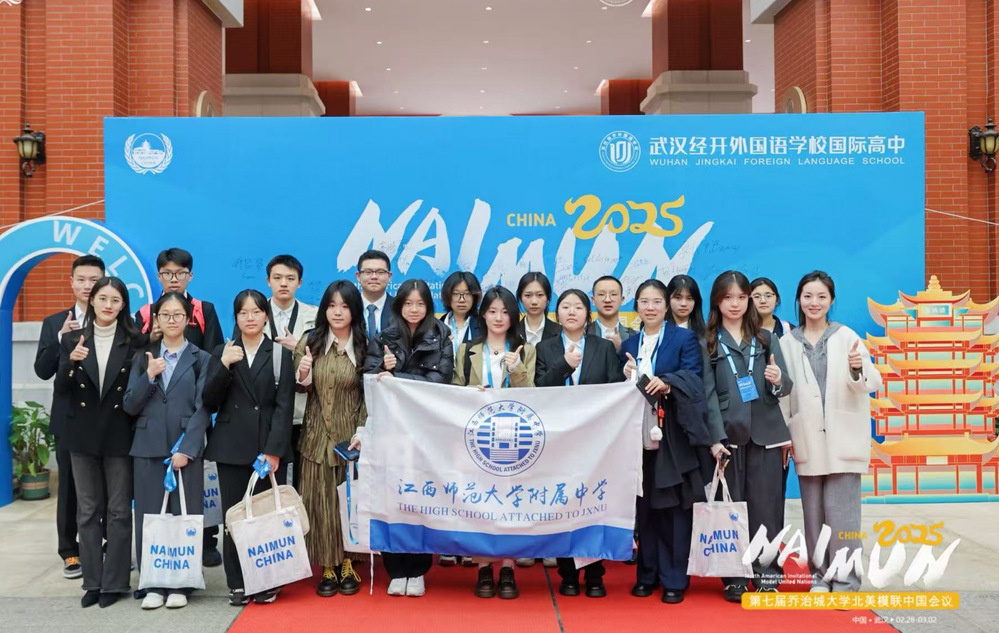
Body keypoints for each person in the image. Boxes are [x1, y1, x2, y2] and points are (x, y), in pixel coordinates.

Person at [779, 271, 882, 593]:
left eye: (821, 296)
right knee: (813, 514)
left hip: (843, 437)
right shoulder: (787, 343)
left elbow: (871, 382)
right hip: (806, 436)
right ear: (799, 300)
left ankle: (846, 580)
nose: (814, 302)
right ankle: (819, 576)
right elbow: (783, 395)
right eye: (808, 296)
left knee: (844, 516)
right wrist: (784, 435)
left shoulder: (847, 336)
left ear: (831, 300)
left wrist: (856, 368)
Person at [620, 279, 718, 605]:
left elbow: (693, 378)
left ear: (666, 307)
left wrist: (667, 382)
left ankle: (674, 578)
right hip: (637, 437)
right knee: (645, 508)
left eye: (657, 302)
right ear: (636, 306)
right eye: (644, 302)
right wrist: (626, 376)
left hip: (673, 434)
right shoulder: (629, 344)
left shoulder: (683, 338)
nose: (650, 307)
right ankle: (646, 575)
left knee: (675, 509)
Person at [704, 271, 793, 602]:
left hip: (767, 434)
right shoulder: (708, 342)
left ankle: (767, 572)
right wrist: (715, 439)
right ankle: (734, 576)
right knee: (731, 508)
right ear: (717, 301)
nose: (735, 304)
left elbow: (786, 386)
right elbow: (707, 396)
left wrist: (777, 379)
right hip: (728, 437)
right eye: (728, 297)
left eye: (742, 297)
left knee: (767, 507)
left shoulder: (766, 338)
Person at [203, 289, 295, 606]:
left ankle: (268, 580)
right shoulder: (224, 351)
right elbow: (209, 401)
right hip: (230, 447)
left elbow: (284, 407)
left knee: (267, 517)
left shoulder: (280, 354)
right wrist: (223, 366)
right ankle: (238, 582)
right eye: (243, 313)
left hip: (267, 448)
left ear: (266, 316)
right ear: (236, 317)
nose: (250, 318)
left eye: (256, 311)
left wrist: (274, 450)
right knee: (235, 518)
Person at [134, 247, 225, 568]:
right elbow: (136, 357)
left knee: (198, 486)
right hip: (154, 412)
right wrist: (150, 338)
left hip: (194, 406)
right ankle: (156, 564)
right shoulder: (147, 313)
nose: (174, 279)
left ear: (190, 276)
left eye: (180, 273)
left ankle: (204, 542)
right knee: (153, 497)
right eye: (167, 273)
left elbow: (214, 352)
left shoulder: (203, 309)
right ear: (159, 276)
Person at [124, 292, 214, 610]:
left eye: (178, 314)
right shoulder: (143, 357)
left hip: (185, 450)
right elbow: (130, 404)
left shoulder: (201, 359)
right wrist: (149, 377)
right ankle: (152, 582)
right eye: (165, 315)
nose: (172, 320)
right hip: (147, 447)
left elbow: (204, 408)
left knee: (185, 515)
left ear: (188, 319)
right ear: (157, 320)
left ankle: (182, 583)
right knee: (150, 517)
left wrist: (188, 449)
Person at [364, 279, 454, 597]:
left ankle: (417, 570)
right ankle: (395, 569)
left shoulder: (442, 336)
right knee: (391, 497)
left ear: (428, 306)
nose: (414, 309)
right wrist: (382, 366)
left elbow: (440, 381)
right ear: (399, 306)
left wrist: (396, 375)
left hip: (425, 432)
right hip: (390, 430)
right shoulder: (383, 337)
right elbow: (369, 378)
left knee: (420, 498)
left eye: (420, 303)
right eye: (408, 303)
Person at [55, 276, 140, 608]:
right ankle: (92, 581)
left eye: (115, 300)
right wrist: (71, 362)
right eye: (103, 298)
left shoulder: (135, 340)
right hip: (82, 434)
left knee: (118, 511)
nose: (108, 305)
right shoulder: (72, 339)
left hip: (119, 433)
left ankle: (115, 582)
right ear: (92, 300)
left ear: (123, 305)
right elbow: (61, 389)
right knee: (88, 510)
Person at [536, 289, 624, 598]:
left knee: (594, 504)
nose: (571, 312)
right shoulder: (545, 347)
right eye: (565, 306)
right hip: (559, 440)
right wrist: (564, 365)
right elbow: (538, 388)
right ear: (557, 313)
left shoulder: (603, 347)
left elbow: (615, 390)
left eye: (578, 307)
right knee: (564, 504)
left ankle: (596, 575)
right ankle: (568, 574)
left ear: (588, 314)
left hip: (596, 440)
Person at [453, 285, 535, 599]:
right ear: (483, 315)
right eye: (492, 311)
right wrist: (470, 394)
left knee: (511, 502)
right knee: (480, 502)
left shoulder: (526, 349)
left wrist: (517, 369)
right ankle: (484, 568)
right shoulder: (468, 350)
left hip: (515, 437)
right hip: (477, 437)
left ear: (513, 316)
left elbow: (534, 395)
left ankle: (508, 568)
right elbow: (454, 390)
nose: (498, 317)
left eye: (504, 312)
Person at [292, 281, 368, 598]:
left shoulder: (365, 346)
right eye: (332, 305)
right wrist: (304, 371)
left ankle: (348, 562)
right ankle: (327, 565)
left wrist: (362, 431)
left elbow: (368, 396)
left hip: (350, 442)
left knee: (348, 504)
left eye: (345, 306)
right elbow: (300, 387)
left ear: (354, 311)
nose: (338, 312)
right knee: (319, 503)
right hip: (315, 439)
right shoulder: (310, 341)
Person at [34, 254, 105, 580]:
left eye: (94, 280)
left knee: (107, 485)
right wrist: (60, 340)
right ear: (72, 282)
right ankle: (69, 550)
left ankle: (106, 545)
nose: (88, 286)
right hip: (69, 417)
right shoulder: (54, 322)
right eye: (82, 279)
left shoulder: (113, 316)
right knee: (70, 487)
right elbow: (42, 370)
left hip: (104, 417)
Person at [438, 271, 484, 568]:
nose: (462, 299)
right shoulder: (436, 325)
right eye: (456, 294)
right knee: (446, 475)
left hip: (476, 410)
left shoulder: (483, 324)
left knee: (473, 478)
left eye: (467, 294)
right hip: (442, 410)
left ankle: (470, 542)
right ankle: (447, 542)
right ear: (447, 296)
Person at [262, 255, 318, 490]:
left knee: (303, 482)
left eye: (290, 278)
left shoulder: (315, 315)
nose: (283, 283)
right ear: (268, 281)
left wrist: (297, 347)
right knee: (267, 483)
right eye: (277, 278)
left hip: (302, 410)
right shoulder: (254, 312)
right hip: (266, 410)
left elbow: (324, 360)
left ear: (300, 282)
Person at [589, 275, 637, 351]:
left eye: (613, 294)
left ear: (622, 299)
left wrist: (620, 348)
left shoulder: (634, 336)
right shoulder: (583, 333)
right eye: (601, 294)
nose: (607, 300)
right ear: (593, 300)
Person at [356, 249, 395, 340]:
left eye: (380, 272)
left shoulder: (399, 308)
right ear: (358, 276)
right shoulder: (349, 307)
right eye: (368, 272)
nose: (374, 277)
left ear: (389, 276)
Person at [516, 271, 562, 347]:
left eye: (540, 295)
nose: (534, 301)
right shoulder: (512, 332)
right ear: (521, 298)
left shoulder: (560, 332)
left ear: (548, 297)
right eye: (528, 295)